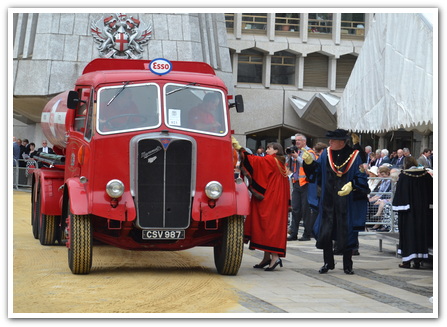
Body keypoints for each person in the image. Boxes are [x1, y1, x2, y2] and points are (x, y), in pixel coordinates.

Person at [303, 129, 370, 275]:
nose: (330, 142)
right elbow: (316, 172)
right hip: (328, 200)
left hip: (347, 202)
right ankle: (328, 262)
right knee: (326, 231)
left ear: (342, 142)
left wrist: (352, 185)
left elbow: (361, 176)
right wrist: (308, 163)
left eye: (333, 140)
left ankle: (348, 264)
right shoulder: (326, 154)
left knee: (347, 233)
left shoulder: (355, 156)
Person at [232, 137, 290, 271]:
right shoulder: (280, 162)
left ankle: (275, 257)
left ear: (276, 150)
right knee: (270, 226)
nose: (267, 150)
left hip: (271, 198)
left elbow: (254, 160)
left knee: (270, 226)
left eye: (269, 148)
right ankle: (266, 258)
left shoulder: (271, 159)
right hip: (278, 199)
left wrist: (239, 148)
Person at [393, 156, 433, 269]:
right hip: (422, 212)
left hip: (408, 212)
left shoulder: (405, 176)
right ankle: (417, 261)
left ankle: (406, 261)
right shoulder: (425, 175)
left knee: (408, 235)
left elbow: (400, 194)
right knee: (420, 234)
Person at [287, 133, 316, 241]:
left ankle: (307, 234)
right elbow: (288, 166)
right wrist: (289, 156)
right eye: (296, 140)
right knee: (295, 209)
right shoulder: (295, 151)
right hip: (296, 183)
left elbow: (309, 164)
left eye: (299, 140)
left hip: (306, 184)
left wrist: (297, 157)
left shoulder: (310, 152)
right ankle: (293, 233)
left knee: (306, 210)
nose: (297, 142)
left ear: (304, 141)